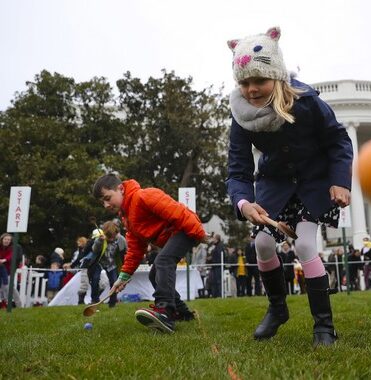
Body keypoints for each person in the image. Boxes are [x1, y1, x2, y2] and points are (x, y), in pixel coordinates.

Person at [225, 27, 353, 346]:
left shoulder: (307, 102)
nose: (252, 89)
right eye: (244, 82)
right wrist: (244, 203)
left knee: (306, 246)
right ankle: (277, 308)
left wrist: (340, 181)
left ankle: (324, 325)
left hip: (313, 182)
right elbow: (237, 169)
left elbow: (338, 139)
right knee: (263, 246)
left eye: (260, 80)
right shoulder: (240, 118)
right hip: (275, 184)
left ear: (277, 75)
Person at [93, 173, 206, 333]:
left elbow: (178, 212)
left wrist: (198, 232)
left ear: (120, 189)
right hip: (174, 236)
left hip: (186, 230)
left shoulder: (144, 196)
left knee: (162, 261)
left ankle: (165, 312)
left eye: (107, 198)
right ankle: (182, 313)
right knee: (154, 274)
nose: (105, 205)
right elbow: (135, 249)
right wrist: (123, 277)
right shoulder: (127, 218)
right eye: (102, 202)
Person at [206, 234, 225, 298]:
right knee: (214, 281)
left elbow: (219, 256)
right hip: (214, 266)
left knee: (218, 281)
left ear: (217, 239)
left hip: (218, 266)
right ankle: (215, 295)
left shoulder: (220, 246)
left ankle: (220, 295)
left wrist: (212, 258)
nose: (212, 239)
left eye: (214, 238)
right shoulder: (214, 246)